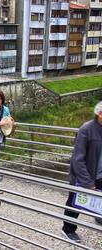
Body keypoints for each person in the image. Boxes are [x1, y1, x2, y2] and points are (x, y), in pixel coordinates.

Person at [61, 101, 102, 243]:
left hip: (100, 174)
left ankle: (99, 216)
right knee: (74, 203)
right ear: (100, 114)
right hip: (83, 176)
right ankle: (68, 229)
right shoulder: (86, 129)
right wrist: (87, 182)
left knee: (99, 200)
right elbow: (77, 160)